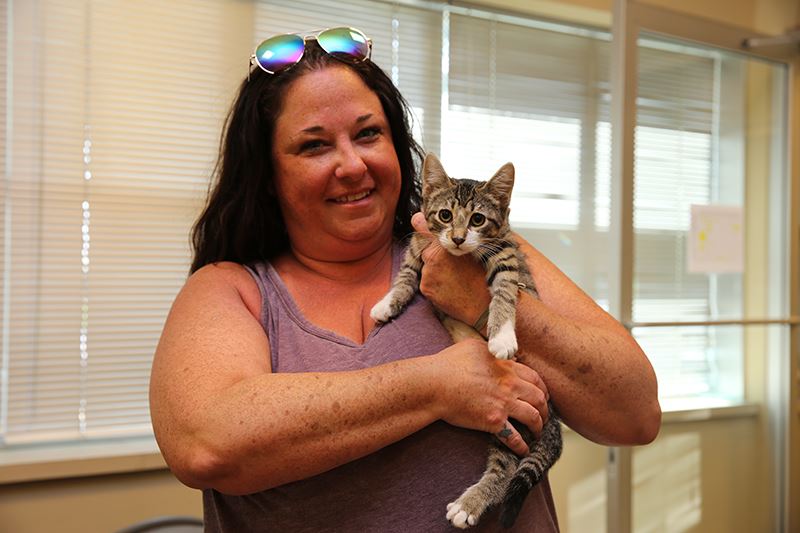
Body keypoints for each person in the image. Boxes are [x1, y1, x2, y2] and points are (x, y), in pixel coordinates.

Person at [149, 27, 661, 533]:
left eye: (369, 134)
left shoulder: (479, 250)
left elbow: (636, 413)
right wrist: (438, 385)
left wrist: (488, 306)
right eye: (313, 146)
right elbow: (207, 445)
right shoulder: (230, 289)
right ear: (267, 175)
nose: (352, 165)